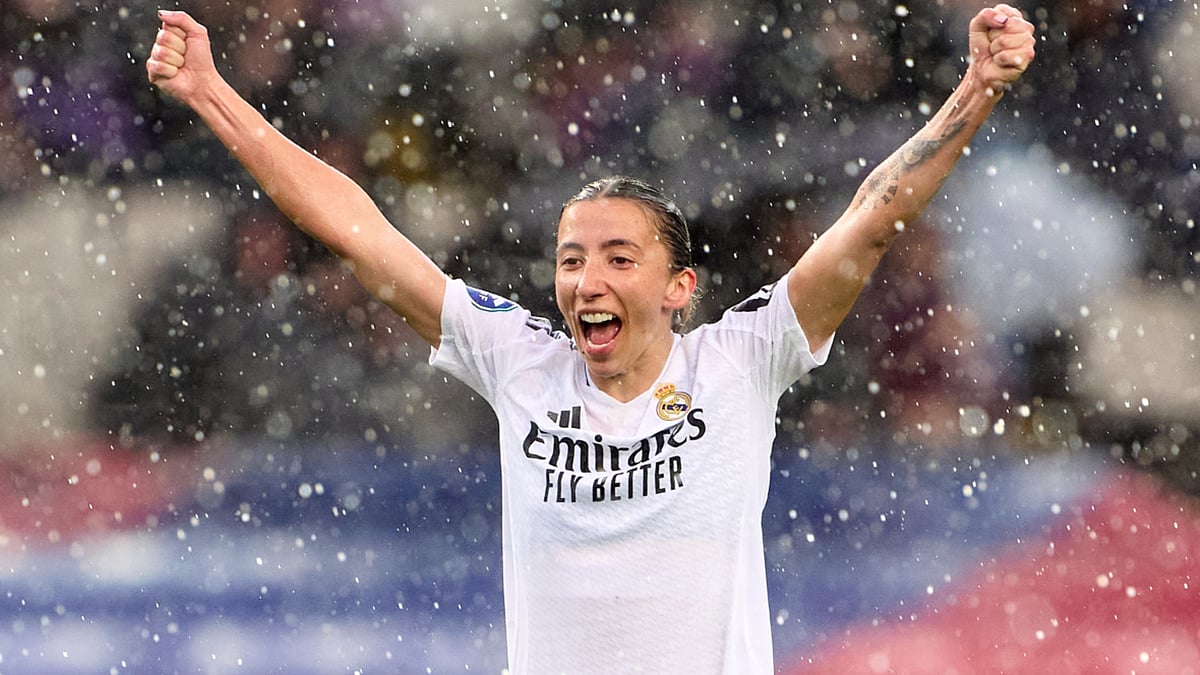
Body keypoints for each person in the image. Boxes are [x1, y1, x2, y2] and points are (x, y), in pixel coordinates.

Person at [146, 5, 1034, 673]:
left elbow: (872, 218)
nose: (587, 282)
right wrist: (211, 93)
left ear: (680, 288)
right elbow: (357, 229)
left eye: (617, 257)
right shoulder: (517, 357)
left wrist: (978, 89)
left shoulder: (742, 360)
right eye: (572, 259)